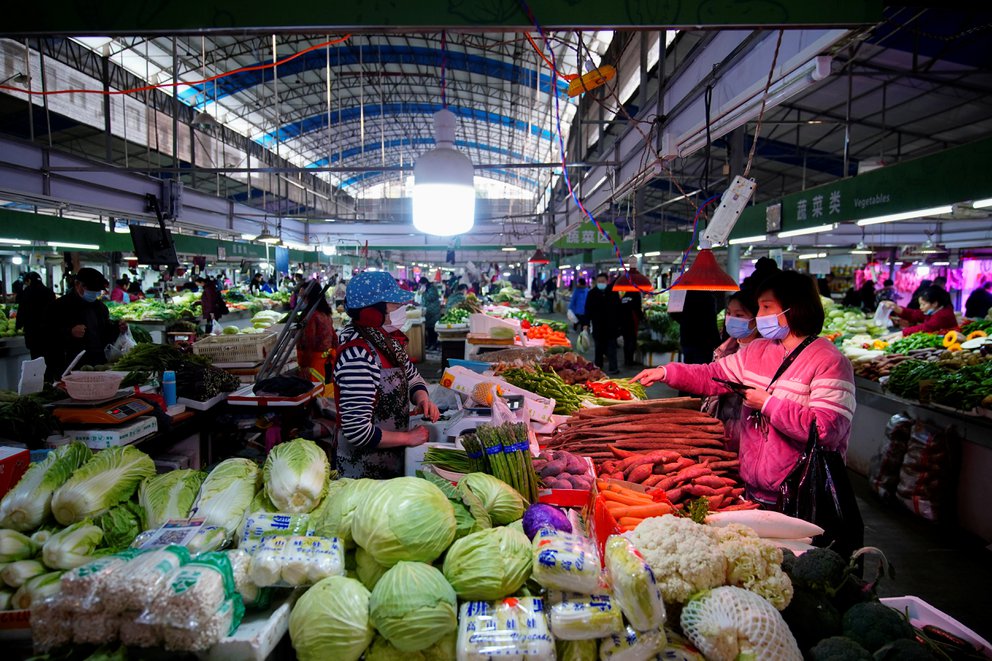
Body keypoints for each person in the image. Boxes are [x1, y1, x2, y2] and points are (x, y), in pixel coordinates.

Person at [632, 271, 856, 506]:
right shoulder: (757, 350)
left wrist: (768, 404)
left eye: (767, 307)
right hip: (753, 489)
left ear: (794, 307)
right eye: (759, 308)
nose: (760, 316)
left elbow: (825, 430)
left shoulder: (830, 361)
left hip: (804, 496)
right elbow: (712, 375)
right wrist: (667, 373)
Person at [333, 271, 440, 479]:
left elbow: (413, 377)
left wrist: (422, 398)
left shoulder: (386, 342)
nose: (401, 310)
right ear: (372, 313)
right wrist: (407, 438)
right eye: (394, 305)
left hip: (390, 461)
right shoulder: (359, 355)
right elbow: (357, 431)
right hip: (363, 472)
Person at [702, 289, 759, 450]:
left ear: (756, 319)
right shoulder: (724, 349)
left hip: (747, 437)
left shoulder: (764, 354)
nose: (732, 319)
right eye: (729, 313)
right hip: (721, 431)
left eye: (739, 315)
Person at [44, 268, 123, 381]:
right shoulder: (58, 307)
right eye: (91, 289)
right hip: (69, 366)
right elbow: (46, 335)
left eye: (97, 290)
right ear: (78, 284)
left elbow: (105, 334)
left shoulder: (101, 308)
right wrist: (69, 332)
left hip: (98, 365)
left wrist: (117, 328)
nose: (94, 293)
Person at [297, 282, 338, 386]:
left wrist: (305, 364)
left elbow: (308, 341)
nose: (300, 299)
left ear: (310, 296)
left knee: (315, 395)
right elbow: (334, 337)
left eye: (303, 296)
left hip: (314, 364)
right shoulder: (325, 313)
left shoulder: (311, 315)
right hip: (327, 362)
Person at [669, 291, 721, 365]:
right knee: (702, 369)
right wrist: (717, 342)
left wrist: (686, 321)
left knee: (690, 367)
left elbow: (673, 313)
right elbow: (712, 321)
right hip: (704, 340)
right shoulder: (708, 297)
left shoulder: (682, 294)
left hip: (687, 337)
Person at [888, 285, 958, 336]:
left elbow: (926, 328)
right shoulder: (933, 311)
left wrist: (901, 333)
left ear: (934, 304)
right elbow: (914, 314)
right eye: (920, 304)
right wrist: (896, 308)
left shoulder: (943, 315)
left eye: (923, 304)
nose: (921, 307)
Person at [585, 273, 620, 374]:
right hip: (598, 326)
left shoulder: (613, 292)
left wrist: (618, 325)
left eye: (603, 281)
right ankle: (598, 368)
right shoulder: (592, 293)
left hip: (611, 326)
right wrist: (586, 323)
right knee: (598, 349)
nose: (601, 283)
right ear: (596, 282)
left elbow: (618, 309)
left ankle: (614, 368)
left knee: (612, 349)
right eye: (599, 282)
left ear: (607, 281)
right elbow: (588, 309)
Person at [15, 273, 55, 360]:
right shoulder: (49, 292)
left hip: (33, 334)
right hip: (48, 334)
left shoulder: (27, 292)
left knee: (36, 360)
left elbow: (22, 310)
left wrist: (18, 325)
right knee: (48, 360)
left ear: (29, 281)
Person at [618, 289, 644, 368]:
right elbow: (638, 309)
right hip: (632, 321)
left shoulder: (624, 296)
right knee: (632, 340)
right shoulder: (636, 294)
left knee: (626, 341)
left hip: (623, 321)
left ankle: (626, 360)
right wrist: (642, 317)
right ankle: (630, 360)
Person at [419, 277, 441, 351]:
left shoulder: (432, 289)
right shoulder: (427, 289)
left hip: (434, 312)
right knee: (428, 329)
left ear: (425, 283)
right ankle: (429, 344)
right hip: (428, 312)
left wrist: (424, 292)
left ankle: (434, 344)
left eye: (422, 284)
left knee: (433, 329)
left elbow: (431, 298)